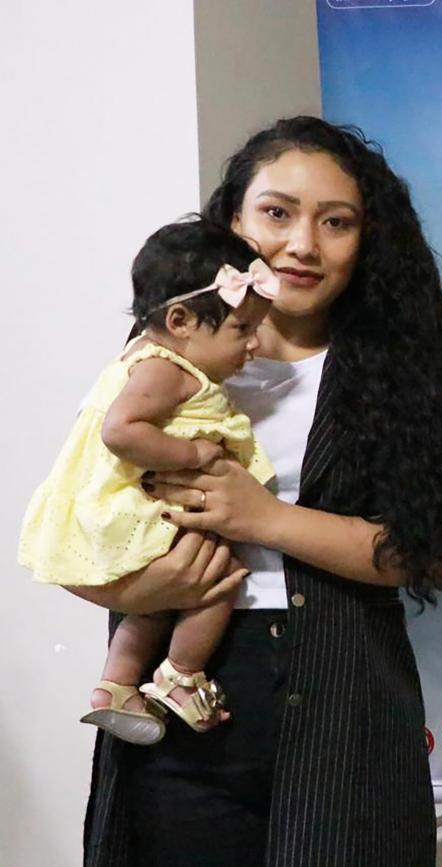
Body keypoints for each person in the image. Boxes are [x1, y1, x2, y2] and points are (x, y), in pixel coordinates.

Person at [74, 117, 442, 867]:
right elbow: (78, 520)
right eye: (277, 213)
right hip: (177, 700)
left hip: (348, 704)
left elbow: (429, 555)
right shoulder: (161, 365)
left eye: (335, 222)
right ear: (232, 223)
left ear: (367, 240)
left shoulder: (403, 371)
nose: (303, 244)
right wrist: (142, 589)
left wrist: (265, 518)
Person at [20, 218, 276, 745]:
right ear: (180, 321)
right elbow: (120, 431)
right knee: (219, 580)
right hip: (138, 508)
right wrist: (191, 452)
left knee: (155, 603)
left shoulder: (140, 356)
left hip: (119, 507)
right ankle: (181, 675)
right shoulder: (167, 370)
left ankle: (116, 685)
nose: (254, 345)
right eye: (241, 330)